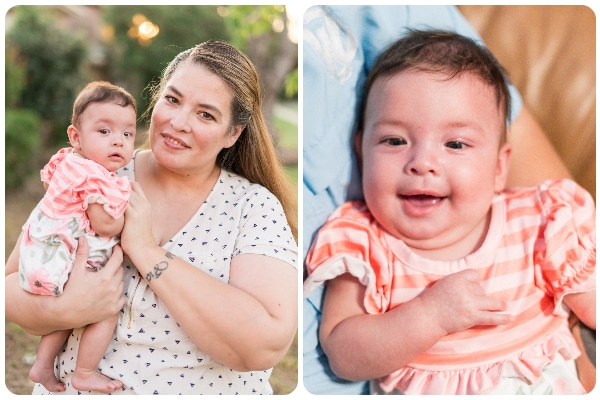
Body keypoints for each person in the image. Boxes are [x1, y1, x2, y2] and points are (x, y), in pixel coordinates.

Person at [304, 29, 596, 395]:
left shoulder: (538, 220)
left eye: (455, 144)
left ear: (499, 167)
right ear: (362, 151)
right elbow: (343, 354)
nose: (423, 163)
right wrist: (429, 316)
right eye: (394, 140)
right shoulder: (361, 241)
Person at [5, 40, 298, 395]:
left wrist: (146, 251)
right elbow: (9, 288)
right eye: (172, 100)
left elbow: (263, 346)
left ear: (232, 134)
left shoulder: (251, 206)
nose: (178, 122)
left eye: (205, 114)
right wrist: (65, 309)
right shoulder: (98, 172)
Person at [18, 81, 137, 393]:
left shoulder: (68, 161)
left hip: (41, 252)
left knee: (67, 314)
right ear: (76, 136)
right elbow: (105, 225)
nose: (118, 142)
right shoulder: (98, 178)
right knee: (105, 311)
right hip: (70, 255)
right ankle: (84, 371)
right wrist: (127, 216)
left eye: (127, 134)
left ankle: (43, 365)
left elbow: (49, 186)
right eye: (104, 131)